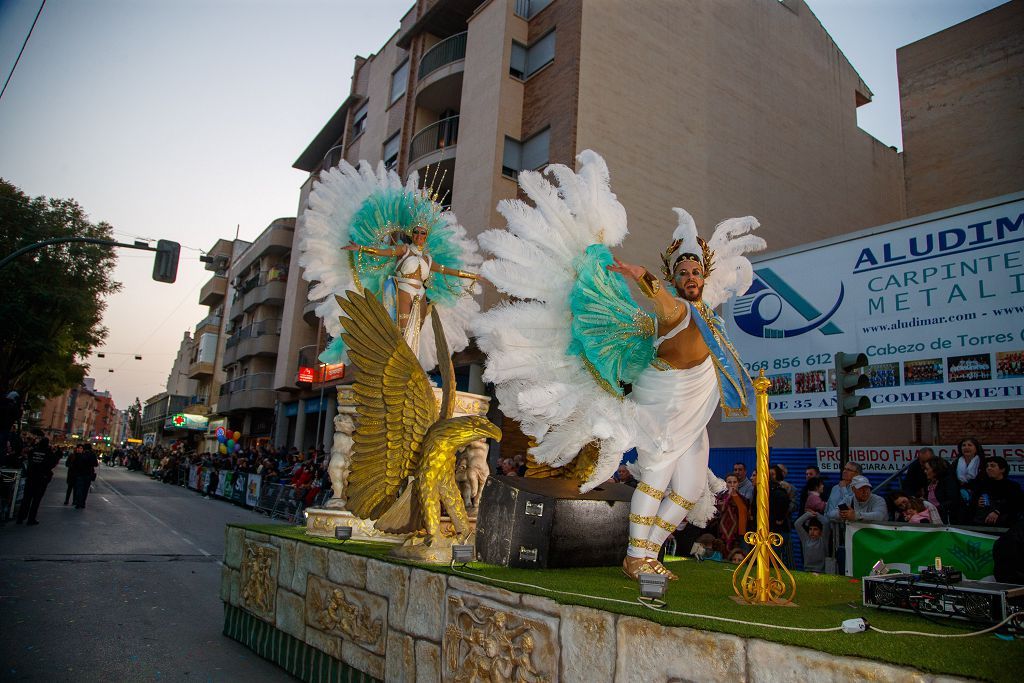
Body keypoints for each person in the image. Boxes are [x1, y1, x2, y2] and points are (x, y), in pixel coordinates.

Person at [608, 233, 757, 581]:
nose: (690, 277)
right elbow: (658, 296)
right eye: (683, 273)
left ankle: (650, 551)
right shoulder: (678, 311)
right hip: (663, 413)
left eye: (696, 272)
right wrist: (641, 274)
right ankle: (634, 557)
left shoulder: (710, 320)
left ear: (704, 278)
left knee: (689, 490)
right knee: (655, 482)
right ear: (674, 280)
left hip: (693, 417)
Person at [342, 224, 481, 352]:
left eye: (423, 233)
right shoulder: (404, 250)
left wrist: (473, 276)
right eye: (416, 232)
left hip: (421, 294)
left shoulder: (428, 259)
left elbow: (447, 270)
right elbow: (384, 252)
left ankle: (410, 361)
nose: (419, 235)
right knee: (403, 331)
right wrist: (361, 248)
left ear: (426, 236)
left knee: (416, 332)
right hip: (404, 290)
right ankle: (399, 358)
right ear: (411, 234)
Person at [15, 429, 59, 525]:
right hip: (41, 478)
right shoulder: (48, 453)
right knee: (36, 500)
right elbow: (53, 462)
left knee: (26, 498)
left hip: (31, 477)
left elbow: (29, 459)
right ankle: (31, 518)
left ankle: (21, 517)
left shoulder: (33, 451)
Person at [968, 456, 1022, 527]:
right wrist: (977, 502)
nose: (989, 468)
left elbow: (1016, 504)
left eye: (992, 466)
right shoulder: (981, 485)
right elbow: (971, 505)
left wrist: (998, 511)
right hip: (981, 525)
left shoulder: (1012, 486)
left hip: (1005, 526)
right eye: (987, 466)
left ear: (1002, 469)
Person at [715, 473, 749, 553]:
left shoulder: (743, 499)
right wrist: (729, 495)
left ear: (738, 483)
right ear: (726, 484)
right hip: (727, 533)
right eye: (729, 482)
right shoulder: (721, 497)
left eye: (735, 482)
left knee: (744, 555)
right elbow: (721, 509)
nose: (732, 484)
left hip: (744, 532)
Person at [923, 456, 960, 523]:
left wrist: (937, 508)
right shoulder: (930, 482)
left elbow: (953, 500)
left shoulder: (948, 481)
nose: (925, 471)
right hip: (935, 516)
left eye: (927, 469)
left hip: (949, 519)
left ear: (935, 469)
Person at [70, 444, 98, 509]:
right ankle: (83, 503)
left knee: (79, 488)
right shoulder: (92, 455)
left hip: (80, 473)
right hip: (88, 474)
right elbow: (96, 464)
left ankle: (78, 502)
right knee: (85, 489)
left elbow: (75, 464)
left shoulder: (81, 454)